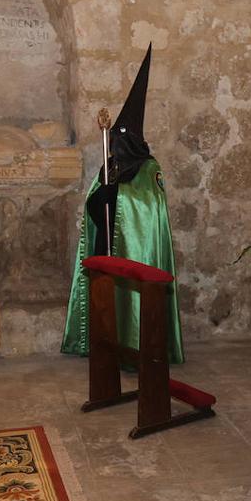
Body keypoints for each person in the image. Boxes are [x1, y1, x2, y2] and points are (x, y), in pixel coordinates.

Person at [61, 45, 184, 364]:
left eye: (120, 137)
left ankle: (136, 347)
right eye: (113, 137)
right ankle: (105, 345)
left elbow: (149, 208)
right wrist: (98, 198)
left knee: (129, 297)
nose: (115, 143)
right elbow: (94, 201)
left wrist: (116, 197)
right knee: (106, 296)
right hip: (107, 244)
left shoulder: (149, 167)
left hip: (134, 252)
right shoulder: (109, 165)